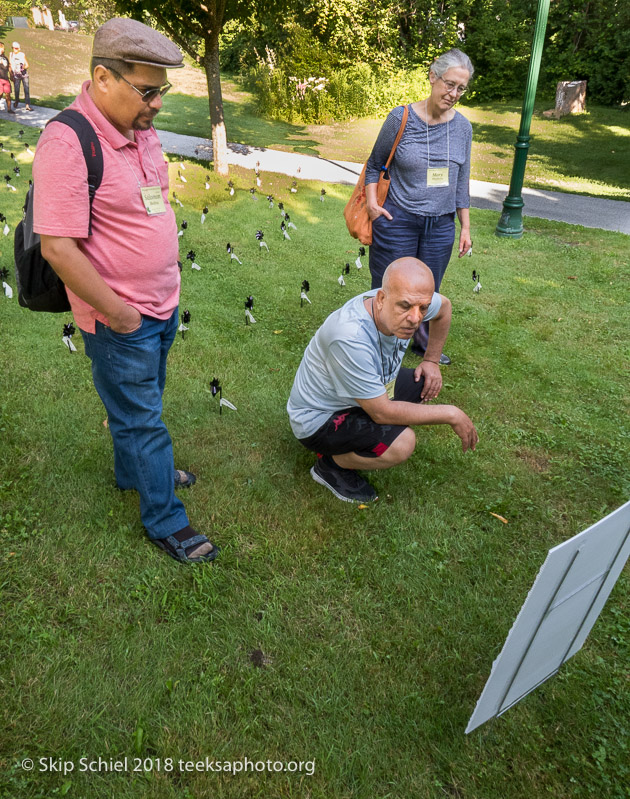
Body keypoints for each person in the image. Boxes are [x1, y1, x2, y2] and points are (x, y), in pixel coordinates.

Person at [33, 18, 219, 564]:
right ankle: (166, 520)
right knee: (143, 418)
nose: (158, 103)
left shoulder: (138, 126)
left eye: (162, 90)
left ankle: (132, 470)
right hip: (122, 320)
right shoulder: (67, 141)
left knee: (141, 405)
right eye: (148, 89)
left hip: (162, 306)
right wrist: (119, 314)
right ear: (102, 77)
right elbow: (58, 249)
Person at [287, 258, 478, 503]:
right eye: (405, 306)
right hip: (319, 419)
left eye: (423, 308)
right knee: (403, 444)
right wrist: (451, 414)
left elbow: (445, 308)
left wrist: (431, 360)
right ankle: (331, 464)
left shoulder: (409, 299)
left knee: (423, 384)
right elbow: (382, 413)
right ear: (380, 299)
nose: (415, 318)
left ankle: (357, 441)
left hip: (362, 394)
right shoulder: (349, 337)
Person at [365, 48, 474, 366]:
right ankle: (375, 342)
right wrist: (373, 205)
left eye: (461, 89)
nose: (453, 94)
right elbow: (374, 165)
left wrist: (465, 225)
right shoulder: (401, 119)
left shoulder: (463, 128)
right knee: (388, 287)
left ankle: (421, 342)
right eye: (449, 84)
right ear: (432, 77)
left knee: (427, 288)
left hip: (440, 226)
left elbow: (461, 180)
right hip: (397, 219)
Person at [9, 41, 32, 111]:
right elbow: (10, 65)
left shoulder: (22, 54)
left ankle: (27, 105)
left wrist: (23, 67)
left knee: (26, 89)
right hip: (16, 75)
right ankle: (16, 101)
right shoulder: (11, 55)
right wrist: (11, 75)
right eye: (14, 48)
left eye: (16, 48)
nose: (15, 49)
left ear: (19, 48)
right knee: (16, 89)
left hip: (24, 74)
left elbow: (27, 65)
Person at [0, 42, 16, 114]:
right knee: (0, 94)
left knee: (8, 94)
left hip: (6, 79)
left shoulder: (5, 57)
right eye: (2, 48)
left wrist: (11, 75)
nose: (3, 49)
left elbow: (9, 67)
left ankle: (9, 109)